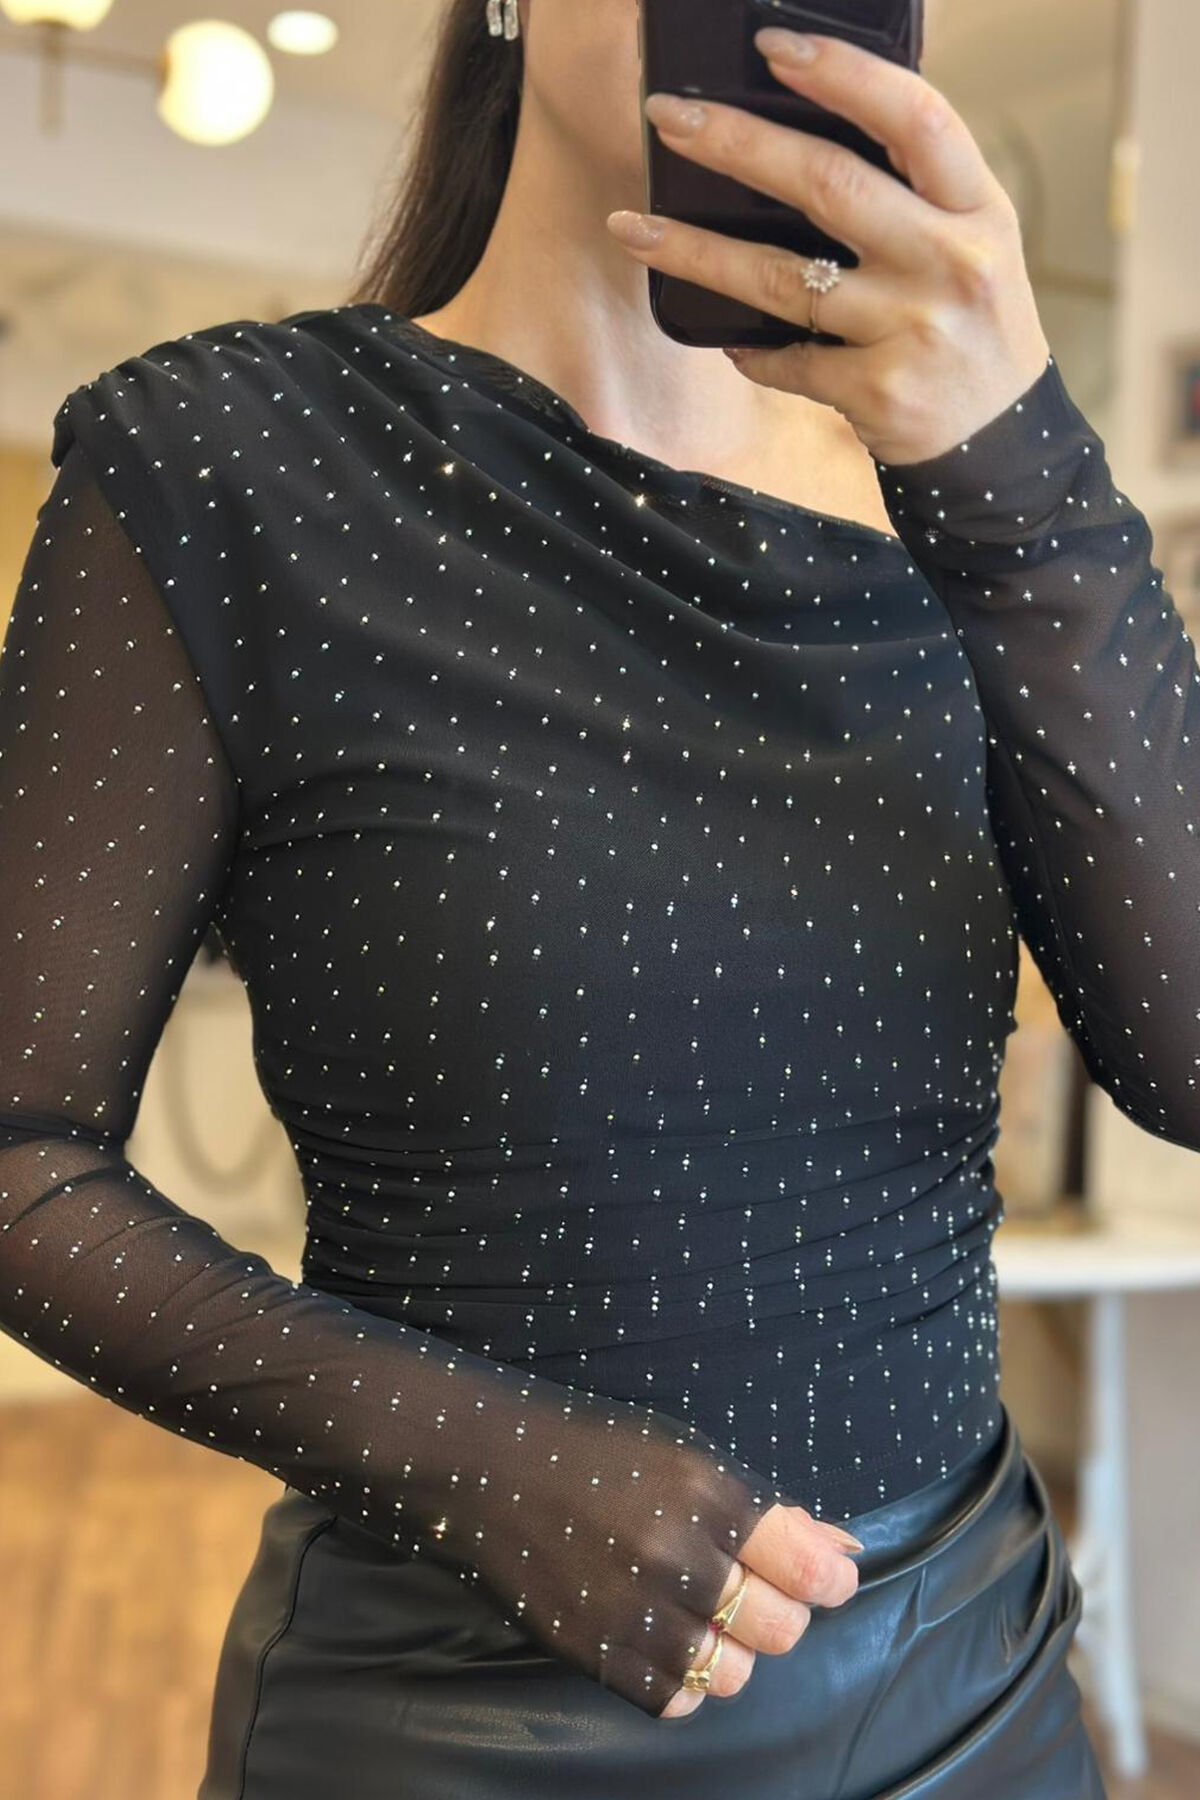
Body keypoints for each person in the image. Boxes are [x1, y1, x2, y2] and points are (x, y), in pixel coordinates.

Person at [3, 2, 1193, 1794]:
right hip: (458, 1716)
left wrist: (1018, 467)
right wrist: (472, 1457)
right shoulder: (232, 467)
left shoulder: (975, 510)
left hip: (969, 1692)